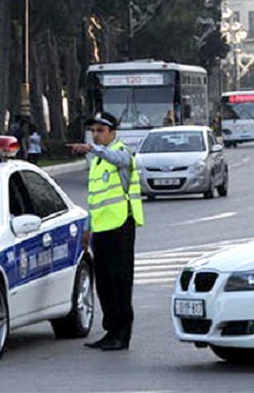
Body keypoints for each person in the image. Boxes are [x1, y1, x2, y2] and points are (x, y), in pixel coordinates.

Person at [67, 111, 145, 351]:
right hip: (101, 228)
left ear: (113, 133)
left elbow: (119, 159)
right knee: (104, 284)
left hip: (121, 226)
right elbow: (94, 199)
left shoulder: (122, 153)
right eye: (93, 131)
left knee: (120, 282)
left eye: (101, 131)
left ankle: (122, 333)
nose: (96, 135)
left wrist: (92, 148)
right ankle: (110, 330)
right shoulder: (97, 161)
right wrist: (87, 229)